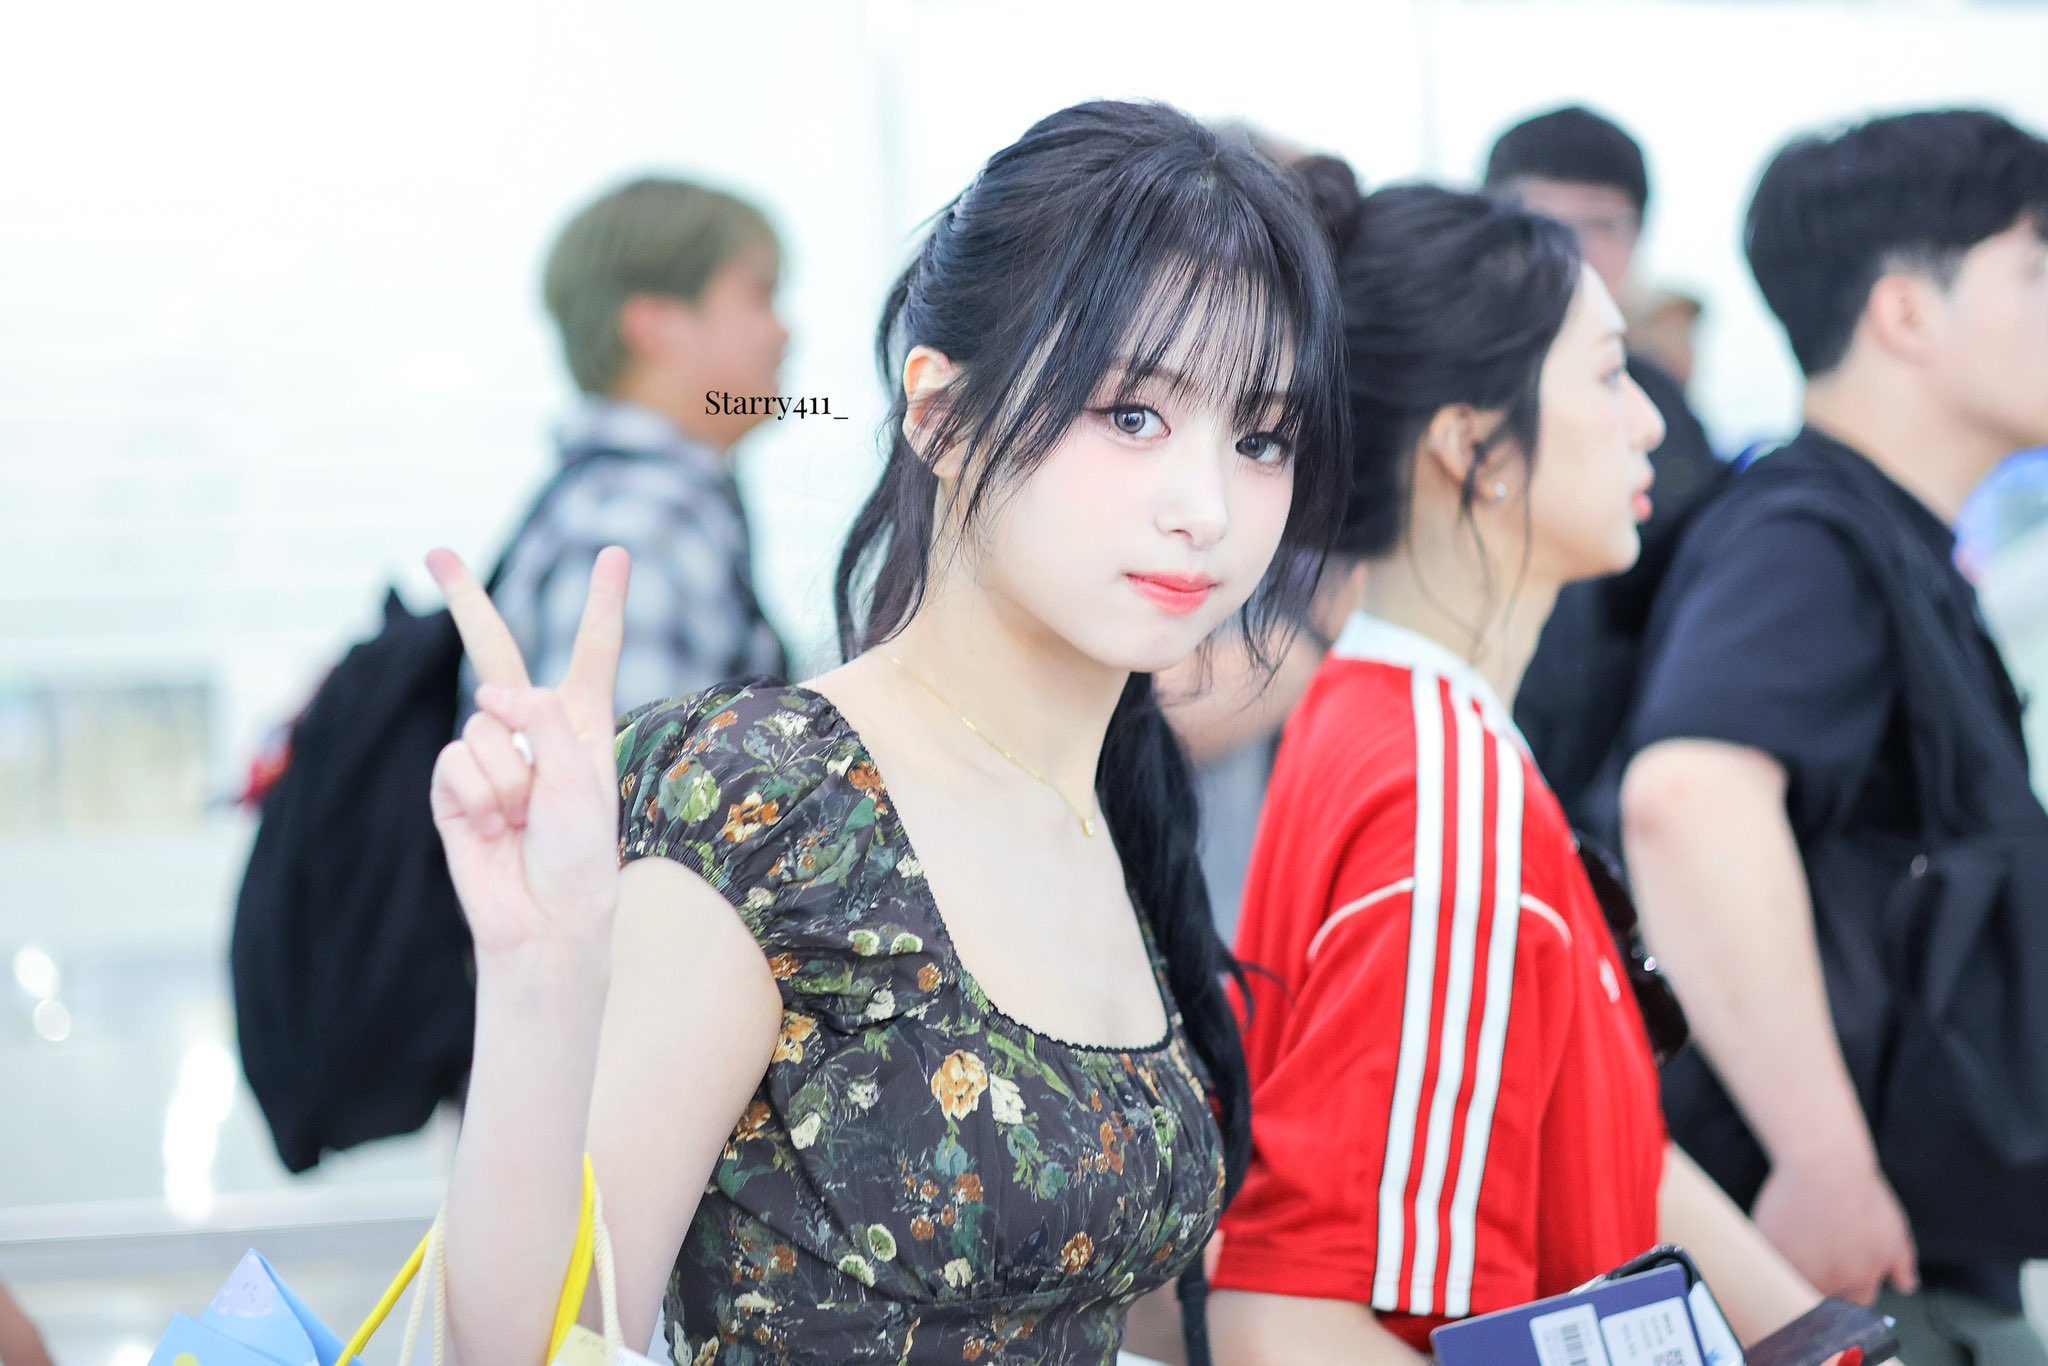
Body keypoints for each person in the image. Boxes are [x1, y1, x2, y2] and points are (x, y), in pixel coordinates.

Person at [421, 99, 1351, 1364]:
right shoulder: (773, 807)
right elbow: (541, 1346)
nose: (1207, 507)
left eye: (1259, 437)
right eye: (1131, 414)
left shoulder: (1108, 805)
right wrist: (539, 982)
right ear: (942, 416)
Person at [1206, 172, 1828, 1362]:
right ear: (1472, 447)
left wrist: (1819, 1336)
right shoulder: (1443, 792)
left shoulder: (1392, 720)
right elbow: (1282, 1312)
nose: (1648, 420)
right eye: (1605, 375)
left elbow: (1603, 1136)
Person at [1618, 109, 2048, 1364]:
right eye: (2033, 268)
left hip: (1903, 1246)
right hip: (1855, 1265)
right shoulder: (1805, 537)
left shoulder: (1868, 533)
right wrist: (1821, 1160)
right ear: (1903, 313)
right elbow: (1685, 798)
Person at [460, 176, 792, 726]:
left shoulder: (616, 500)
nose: (783, 332)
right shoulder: (640, 522)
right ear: (654, 326)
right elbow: (618, 778)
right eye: (760, 296)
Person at [1482, 105, 1725, 830]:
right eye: (1539, 220)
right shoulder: (1433, 393)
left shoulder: (1664, 413)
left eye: (1601, 226)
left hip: (1610, 802)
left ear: (1639, 240)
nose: (1571, 251)